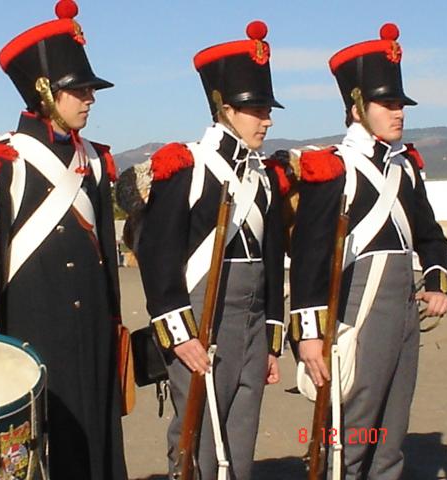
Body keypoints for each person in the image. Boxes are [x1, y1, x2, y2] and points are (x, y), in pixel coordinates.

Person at [0, 1, 127, 479]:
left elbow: (108, 265)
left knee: (96, 444)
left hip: (92, 330)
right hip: (34, 331)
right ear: (45, 92)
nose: (89, 99)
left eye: (90, 89)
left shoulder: (93, 161)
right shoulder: (3, 164)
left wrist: (112, 325)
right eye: (79, 90)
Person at [290, 23, 447, 479]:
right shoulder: (333, 169)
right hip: (356, 314)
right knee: (350, 438)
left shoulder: (406, 169)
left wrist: (439, 279)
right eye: (388, 103)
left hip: (403, 315)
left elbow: (431, 238)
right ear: (357, 107)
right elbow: (308, 258)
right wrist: (309, 334)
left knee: (390, 440)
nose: (398, 113)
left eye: (400, 104)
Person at [136, 21, 285, 480]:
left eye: (266, 108)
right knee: (196, 437)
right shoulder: (188, 166)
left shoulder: (263, 177)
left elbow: (272, 262)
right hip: (200, 320)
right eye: (255, 108)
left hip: (251, 321)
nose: (267, 118)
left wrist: (272, 341)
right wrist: (180, 334)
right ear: (224, 108)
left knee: (241, 437)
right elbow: (157, 257)